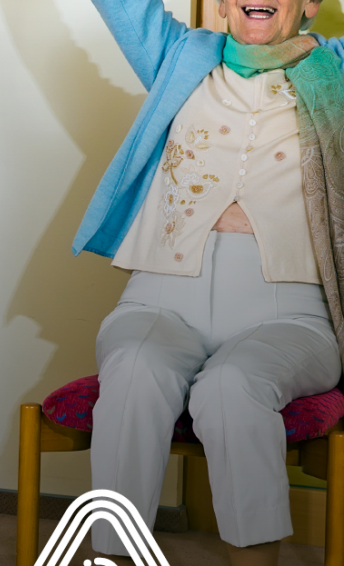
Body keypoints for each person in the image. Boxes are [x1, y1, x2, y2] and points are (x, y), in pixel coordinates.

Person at [75, 1, 344, 564]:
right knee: (133, 373)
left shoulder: (338, 69)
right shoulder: (180, 57)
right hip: (160, 297)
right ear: (223, 4)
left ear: (311, 4)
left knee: (232, 388)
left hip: (292, 313)